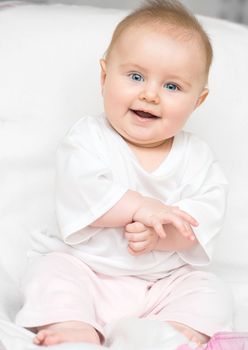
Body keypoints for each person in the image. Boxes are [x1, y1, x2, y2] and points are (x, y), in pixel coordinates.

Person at [15, 0, 233, 347]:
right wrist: (140, 207)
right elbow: (82, 190)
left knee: (210, 289)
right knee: (50, 271)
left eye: (172, 87)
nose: (150, 94)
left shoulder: (197, 157)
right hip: (88, 271)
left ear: (198, 101)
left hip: (160, 283)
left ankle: (169, 329)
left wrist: (165, 236)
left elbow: (205, 218)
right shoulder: (88, 138)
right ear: (104, 77)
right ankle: (75, 325)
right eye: (135, 76)